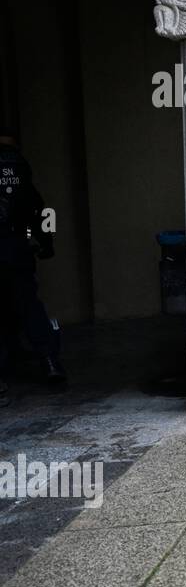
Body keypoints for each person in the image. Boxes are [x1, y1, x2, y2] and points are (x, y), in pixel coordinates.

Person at [0, 129, 63, 402]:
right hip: (18, 248)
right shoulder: (21, 170)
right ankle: (50, 361)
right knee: (29, 305)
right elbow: (40, 211)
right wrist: (46, 244)